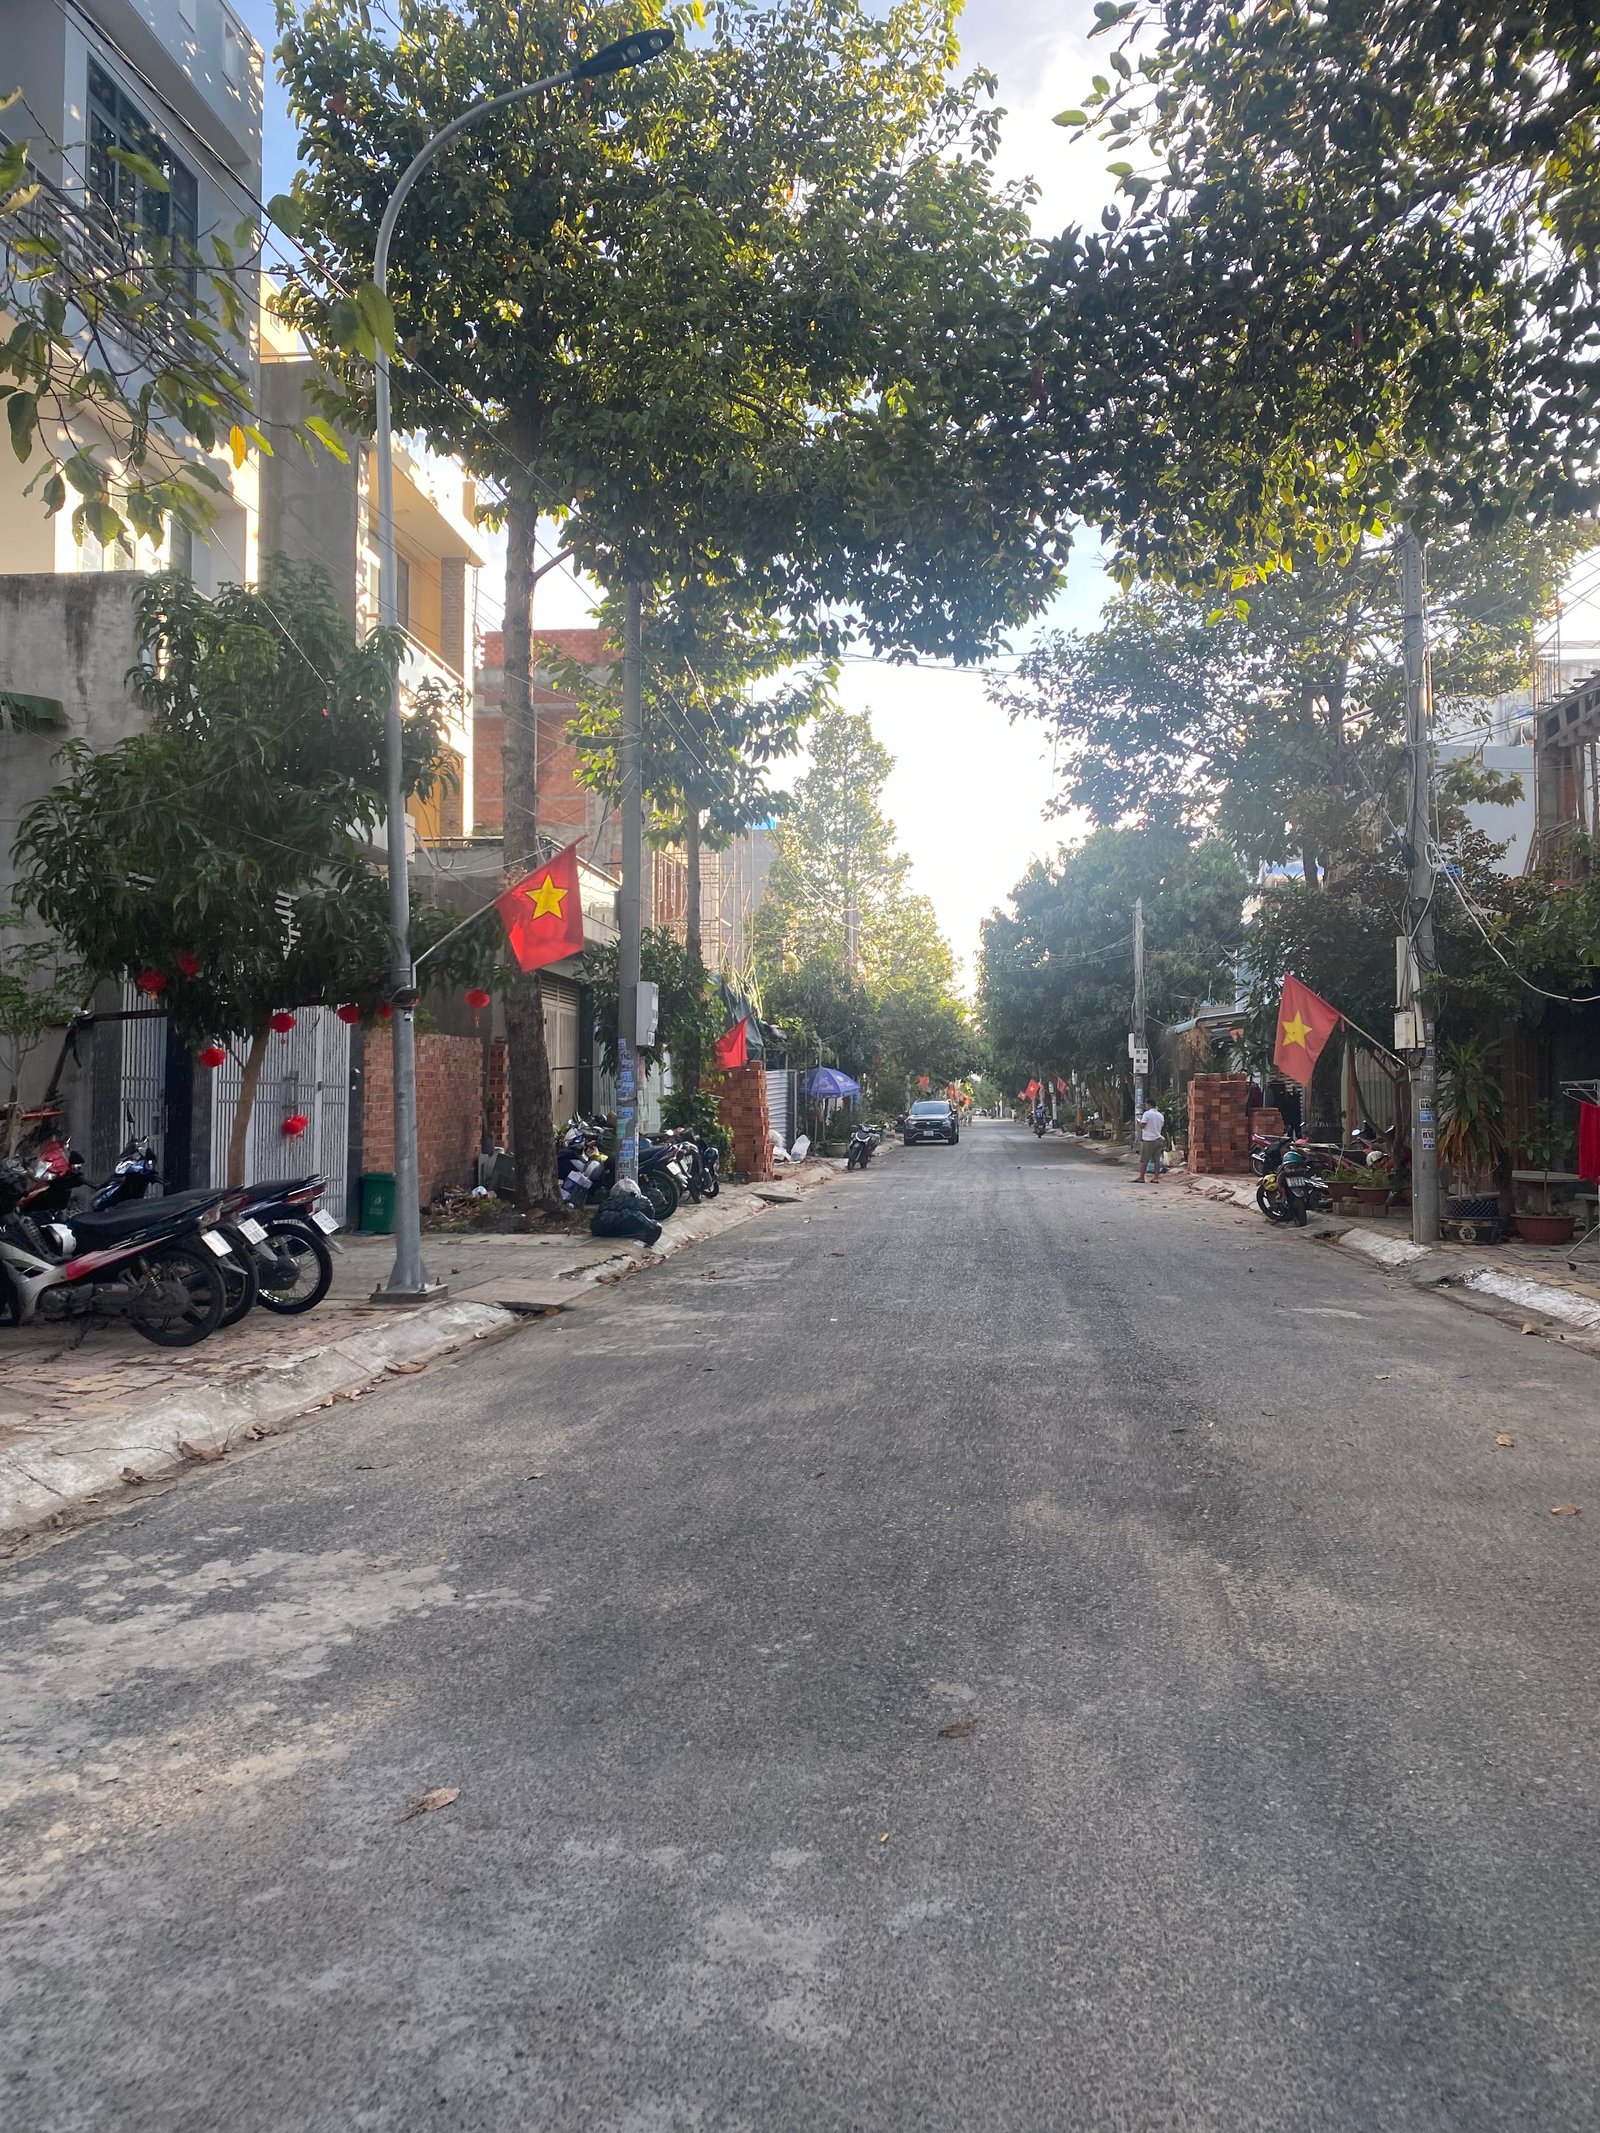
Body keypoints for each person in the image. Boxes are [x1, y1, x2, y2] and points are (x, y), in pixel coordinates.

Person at [1136, 1099, 1166, 1181]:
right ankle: (1156, 1177)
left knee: (1144, 1159)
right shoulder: (1160, 1115)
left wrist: (1138, 1122)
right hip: (1158, 1139)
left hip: (1149, 1139)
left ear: (1148, 1105)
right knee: (1157, 1160)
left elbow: (1142, 1125)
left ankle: (1141, 1177)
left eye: (1146, 1105)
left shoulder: (1147, 1114)